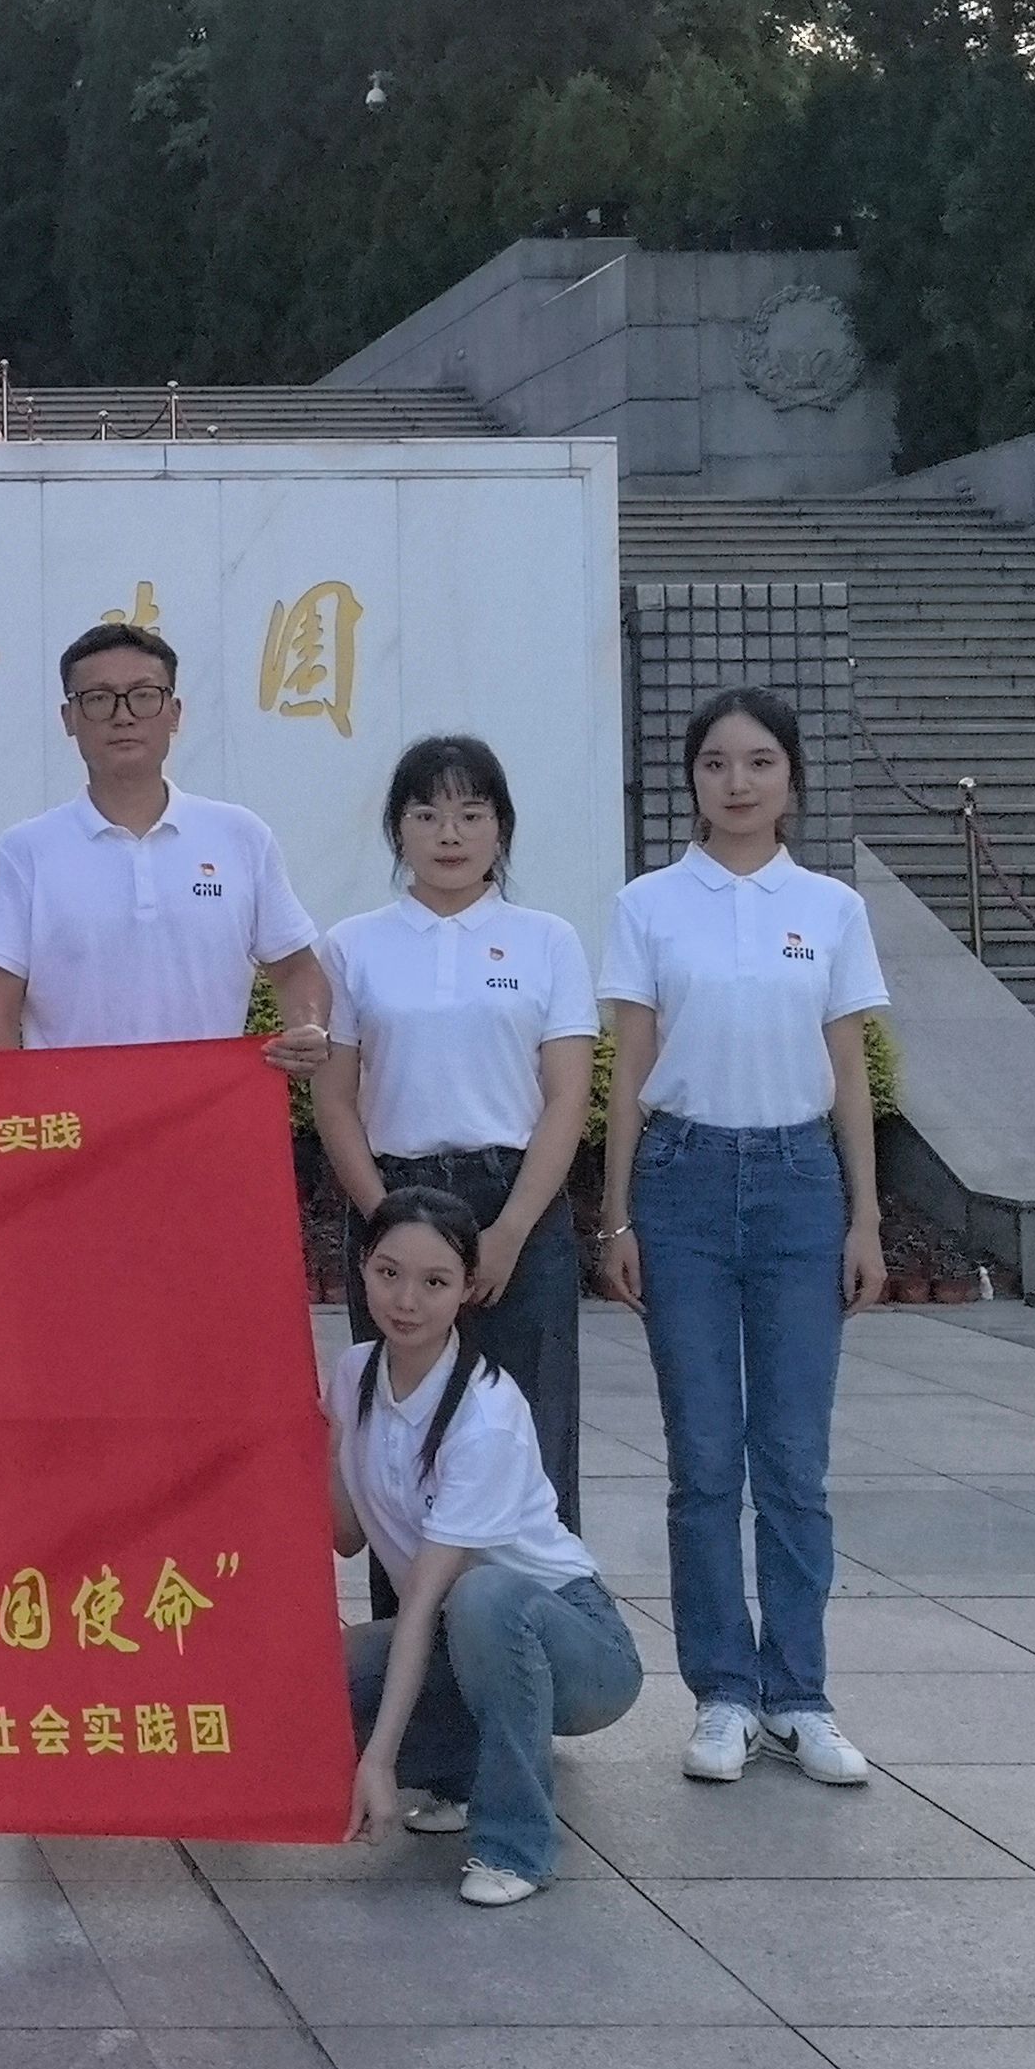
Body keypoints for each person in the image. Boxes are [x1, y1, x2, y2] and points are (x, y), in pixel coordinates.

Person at [599, 686, 890, 1791]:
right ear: (691, 778)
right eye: (716, 762)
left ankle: (800, 1695)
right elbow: (628, 1066)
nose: (737, 781)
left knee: (793, 1462)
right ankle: (723, 1692)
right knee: (705, 1459)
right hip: (679, 1183)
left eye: (759, 762)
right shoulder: (649, 905)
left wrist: (864, 1216)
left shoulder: (829, 908)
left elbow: (848, 1068)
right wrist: (616, 1213)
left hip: (797, 1184)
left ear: (791, 780)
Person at [309, 735, 597, 1534]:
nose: (449, 834)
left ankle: (531, 1611)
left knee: (531, 1434)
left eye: (472, 814)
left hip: (513, 1203)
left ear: (501, 828)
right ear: (396, 829)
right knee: (397, 1448)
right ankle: (407, 1618)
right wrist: (386, 1226)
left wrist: (508, 1233)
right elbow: (334, 1100)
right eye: (426, 814)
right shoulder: (353, 945)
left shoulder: (548, 940)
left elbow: (566, 1098)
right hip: (393, 1198)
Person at [331, 1186, 642, 1907]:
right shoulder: (354, 1374)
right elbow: (345, 1539)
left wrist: (380, 1760)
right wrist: (322, 1437)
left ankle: (517, 1845)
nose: (406, 1300)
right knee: (332, 1676)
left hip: (580, 1651)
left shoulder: (487, 1414)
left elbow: (424, 1600)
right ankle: (466, 1776)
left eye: (434, 1282)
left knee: (482, 1594)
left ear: (468, 1289)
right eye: (388, 1273)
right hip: (461, 1637)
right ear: (363, 1266)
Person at [0, 622, 332, 1074]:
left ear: (174, 712)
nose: (123, 716)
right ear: (69, 718)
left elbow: (296, 969)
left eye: (143, 695)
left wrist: (308, 1027)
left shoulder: (240, 836)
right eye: (98, 698)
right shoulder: (24, 852)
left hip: (210, 1105)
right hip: (74, 1112)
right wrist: (9, 1107)